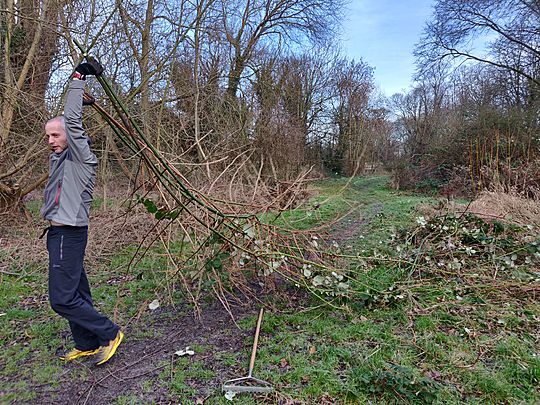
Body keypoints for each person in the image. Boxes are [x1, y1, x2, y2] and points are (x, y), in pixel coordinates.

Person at [41, 59, 123, 365]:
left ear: (70, 137)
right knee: (76, 291)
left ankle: (110, 333)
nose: (50, 141)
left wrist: (78, 78)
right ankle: (87, 343)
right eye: (48, 136)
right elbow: (67, 126)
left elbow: (72, 122)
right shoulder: (62, 159)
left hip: (69, 233)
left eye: (55, 136)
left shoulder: (81, 158)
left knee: (62, 299)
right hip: (58, 233)